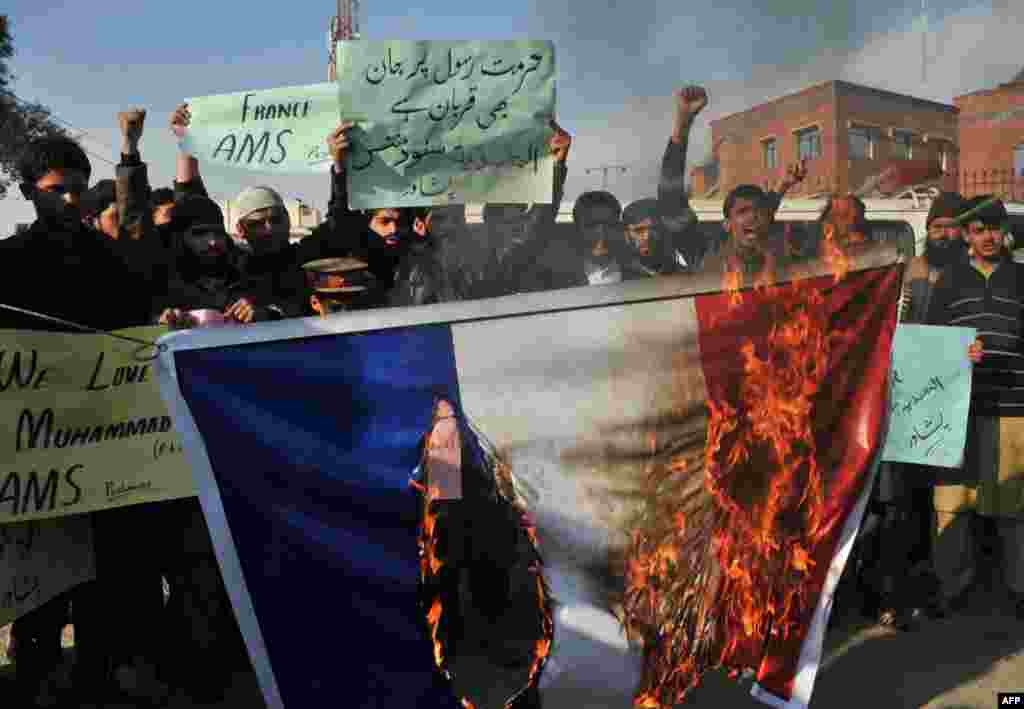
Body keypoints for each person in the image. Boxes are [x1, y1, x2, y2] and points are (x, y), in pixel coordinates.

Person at [0, 117, 167, 707]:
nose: (70, 198)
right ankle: (32, 678)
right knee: (41, 583)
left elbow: (138, 325)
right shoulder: (7, 263)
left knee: (105, 580)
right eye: (55, 188)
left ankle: (98, 680)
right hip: (36, 452)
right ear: (28, 192)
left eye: (77, 185)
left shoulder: (112, 258)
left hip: (105, 447)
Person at [927, 195, 1024, 620]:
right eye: (978, 229)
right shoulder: (948, 280)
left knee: (1013, 506)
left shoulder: (1022, 278)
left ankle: (1018, 590)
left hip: (1014, 406)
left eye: (993, 228)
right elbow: (928, 342)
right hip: (956, 409)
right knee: (952, 503)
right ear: (967, 234)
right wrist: (955, 355)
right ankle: (955, 586)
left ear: (1006, 232)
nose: (987, 237)